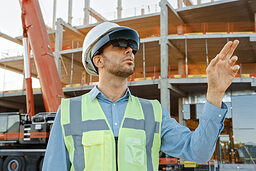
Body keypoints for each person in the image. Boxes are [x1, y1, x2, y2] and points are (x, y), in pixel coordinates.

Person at [42, 22, 240, 171]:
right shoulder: (69, 111)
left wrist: (215, 93)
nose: (129, 50)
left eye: (131, 46)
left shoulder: (152, 111)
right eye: (119, 44)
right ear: (98, 60)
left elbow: (199, 152)